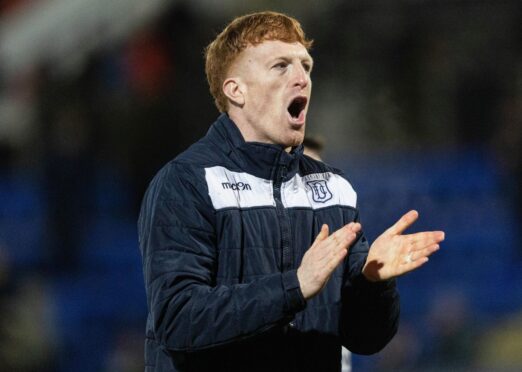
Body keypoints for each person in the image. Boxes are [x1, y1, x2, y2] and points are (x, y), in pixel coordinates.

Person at [138, 11, 445, 372]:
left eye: (306, 66)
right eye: (281, 66)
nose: (301, 79)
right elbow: (178, 319)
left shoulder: (334, 189)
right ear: (236, 90)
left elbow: (364, 339)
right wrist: (294, 286)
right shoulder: (187, 182)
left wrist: (372, 284)